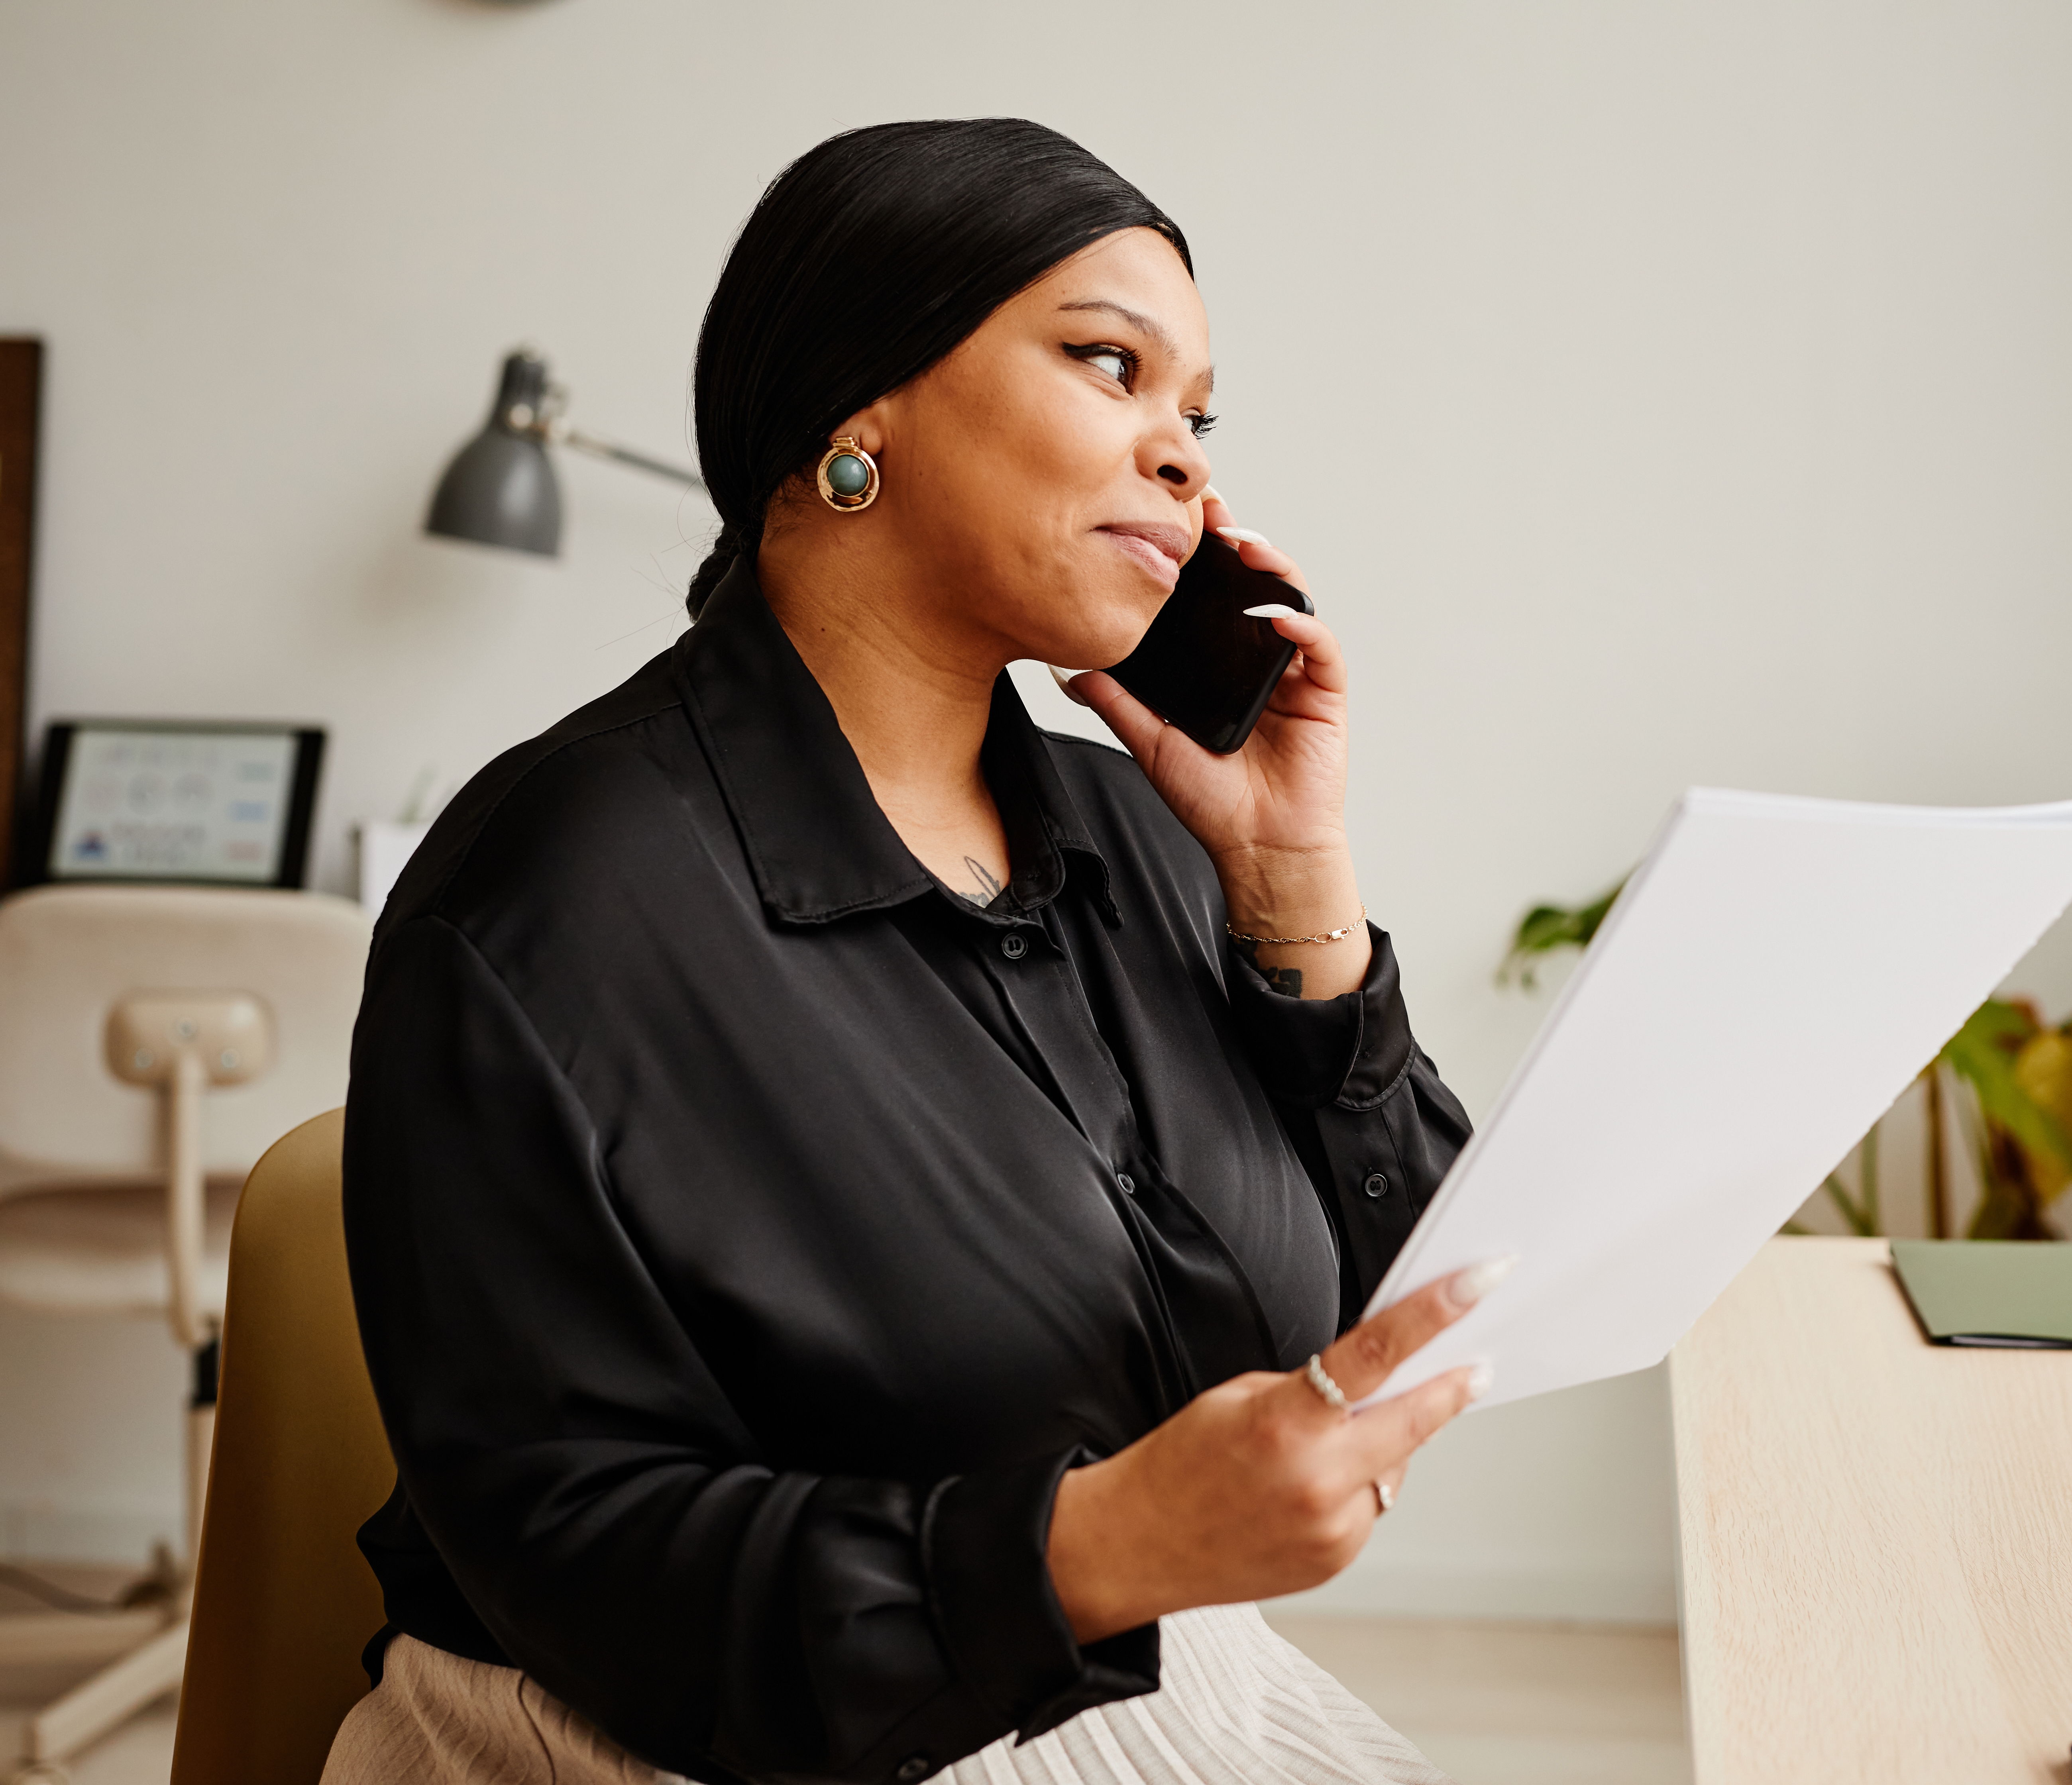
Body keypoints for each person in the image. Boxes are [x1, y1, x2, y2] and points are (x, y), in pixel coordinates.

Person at [325, 120, 1490, 1785]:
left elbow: (1413, 1315)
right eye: (1113, 367)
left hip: (1144, 1697)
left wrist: (1295, 882)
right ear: (856, 410)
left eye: (1199, 415)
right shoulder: (549, 896)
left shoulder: (1149, 832)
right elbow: (581, 1547)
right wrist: (1094, 1550)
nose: (1186, 464)